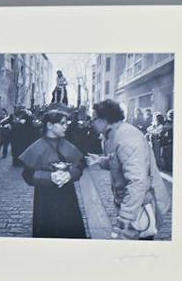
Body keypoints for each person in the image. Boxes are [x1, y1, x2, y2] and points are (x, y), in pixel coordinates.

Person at [87, 99, 168, 240]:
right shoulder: (111, 135)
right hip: (132, 202)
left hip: (140, 204)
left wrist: (125, 215)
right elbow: (118, 161)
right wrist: (100, 161)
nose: (91, 123)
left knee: (140, 249)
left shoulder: (126, 138)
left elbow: (137, 181)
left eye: (93, 119)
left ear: (104, 120)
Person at [18, 110, 86, 238]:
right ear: (49, 125)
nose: (66, 126)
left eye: (67, 123)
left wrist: (70, 175)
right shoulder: (37, 147)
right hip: (45, 200)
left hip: (68, 197)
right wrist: (49, 177)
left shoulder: (68, 145)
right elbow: (27, 175)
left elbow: (80, 167)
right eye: (62, 123)